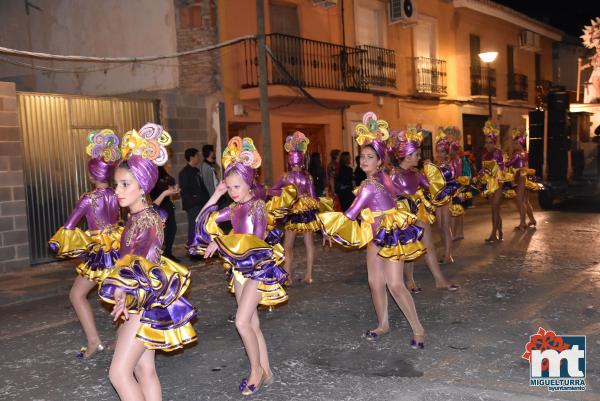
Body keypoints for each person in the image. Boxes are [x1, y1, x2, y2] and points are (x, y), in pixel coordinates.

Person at [99, 123, 197, 401]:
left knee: (118, 374)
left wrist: (122, 291)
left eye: (125, 184)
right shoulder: (136, 216)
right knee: (144, 370)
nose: (117, 190)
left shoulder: (149, 220)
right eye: (116, 183)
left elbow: (141, 263)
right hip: (137, 299)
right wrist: (121, 291)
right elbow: (128, 261)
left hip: (143, 302)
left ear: (142, 185)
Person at [319, 112, 427, 348]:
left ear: (379, 161)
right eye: (362, 157)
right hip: (374, 236)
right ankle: (383, 324)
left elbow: (350, 214)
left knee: (395, 284)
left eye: (369, 157)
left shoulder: (371, 184)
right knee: (374, 282)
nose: (364, 161)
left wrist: (328, 229)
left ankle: (418, 330)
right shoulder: (382, 177)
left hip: (389, 236)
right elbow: (397, 197)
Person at [190, 137, 286, 395]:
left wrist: (221, 242)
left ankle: (255, 371)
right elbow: (202, 222)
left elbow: (253, 241)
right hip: (239, 270)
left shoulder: (256, 206)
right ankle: (266, 370)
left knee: (242, 323)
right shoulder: (233, 206)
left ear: (249, 183)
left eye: (236, 186)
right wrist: (216, 194)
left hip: (257, 270)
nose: (233, 191)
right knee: (252, 323)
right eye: (229, 187)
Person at [48, 129, 122, 359]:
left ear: (91, 175)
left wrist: (64, 245)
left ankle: (93, 341)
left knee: (76, 295)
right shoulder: (117, 193)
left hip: (100, 252)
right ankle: (120, 340)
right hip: (118, 246)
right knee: (117, 294)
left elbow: (69, 226)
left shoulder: (88, 199)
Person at [389, 128, 459, 293]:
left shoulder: (416, 173)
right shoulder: (393, 174)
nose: (419, 158)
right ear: (407, 156)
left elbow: (431, 188)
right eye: (417, 155)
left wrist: (448, 184)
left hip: (419, 211)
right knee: (409, 248)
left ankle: (439, 279)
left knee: (428, 245)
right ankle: (410, 280)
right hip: (402, 215)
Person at [268, 131, 321, 285]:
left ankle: (288, 276)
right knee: (309, 244)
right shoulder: (308, 176)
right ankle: (309, 275)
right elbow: (314, 197)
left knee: (288, 245)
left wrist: (267, 191)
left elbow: (274, 190)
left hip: (292, 211)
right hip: (307, 211)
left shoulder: (286, 177)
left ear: (290, 161)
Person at [478, 121, 513, 243]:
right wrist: (480, 175)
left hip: (498, 183)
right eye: (486, 142)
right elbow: (484, 170)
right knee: (495, 210)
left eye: (490, 142)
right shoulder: (484, 155)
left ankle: (494, 234)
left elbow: (502, 169)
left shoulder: (498, 154)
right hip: (490, 184)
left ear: (494, 143)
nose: (488, 145)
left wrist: (499, 181)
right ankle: (500, 232)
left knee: (495, 208)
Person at [506, 128, 542, 230]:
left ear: (518, 143)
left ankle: (522, 223)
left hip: (520, 177)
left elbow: (508, 164)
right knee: (525, 201)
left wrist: (505, 158)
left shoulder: (517, 154)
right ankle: (532, 220)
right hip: (524, 177)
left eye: (514, 142)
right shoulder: (524, 152)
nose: (513, 144)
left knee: (520, 200)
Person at [179, 147, 209, 245]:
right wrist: (195, 202)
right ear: (192, 157)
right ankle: (192, 247)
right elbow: (185, 192)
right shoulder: (184, 173)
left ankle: (200, 247)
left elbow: (202, 188)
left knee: (201, 227)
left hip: (201, 204)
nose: (199, 158)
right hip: (193, 206)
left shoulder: (196, 171)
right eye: (197, 156)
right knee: (193, 226)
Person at [150, 165, 180, 261]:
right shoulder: (149, 171)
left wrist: (174, 187)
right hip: (157, 205)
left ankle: (168, 253)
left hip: (167, 204)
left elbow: (171, 181)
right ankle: (160, 255)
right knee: (159, 232)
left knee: (172, 228)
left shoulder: (161, 168)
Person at [581, 17, 600, 103]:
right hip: (596, 72)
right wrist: (584, 66)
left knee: (595, 82)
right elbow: (592, 63)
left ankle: (598, 99)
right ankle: (595, 100)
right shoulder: (596, 55)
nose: (598, 49)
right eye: (596, 47)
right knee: (590, 86)